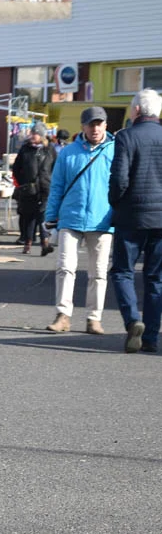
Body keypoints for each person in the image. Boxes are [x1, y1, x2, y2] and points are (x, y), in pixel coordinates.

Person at [44, 107, 115, 335]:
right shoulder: (68, 152)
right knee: (65, 268)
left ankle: (94, 318)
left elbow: (121, 185)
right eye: (91, 124)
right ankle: (63, 315)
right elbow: (57, 186)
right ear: (83, 126)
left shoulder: (115, 150)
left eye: (99, 124)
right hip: (70, 217)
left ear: (105, 125)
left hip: (102, 219)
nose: (95, 128)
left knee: (99, 273)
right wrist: (50, 217)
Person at [108, 89, 162, 353]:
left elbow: (119, 180)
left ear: (137, 110)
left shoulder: (126, 137)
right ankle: (151, 336)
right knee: (155, 278)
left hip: (132, 216)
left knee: (122, 271)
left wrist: (115, 203)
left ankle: (132, 320)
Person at [12, 123, 55, 255]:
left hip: (45, 188)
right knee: (29, 217)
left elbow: (55, 167)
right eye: (32, 133)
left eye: (35, 133)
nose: (32, 136)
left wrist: (51, 181)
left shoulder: (49, 150)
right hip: (28, 188)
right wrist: (21, 183)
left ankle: (45, 244)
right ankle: (28, 243)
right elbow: (16, 168)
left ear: (42, 136)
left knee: (43, 216)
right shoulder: (25, 149)